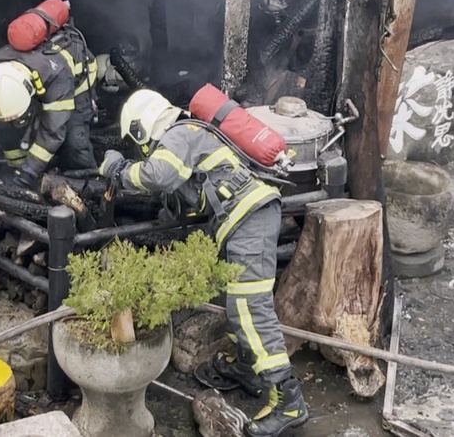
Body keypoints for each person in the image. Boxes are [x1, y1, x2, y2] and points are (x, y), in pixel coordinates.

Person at [97, 89, 309, 437]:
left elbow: (157, 176)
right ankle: (247, 369)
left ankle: (289, 398)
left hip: (250, 221)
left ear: (141, 128)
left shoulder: (180, 134)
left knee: (250, 308)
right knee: (236, 302)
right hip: (244, 221)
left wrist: (120, 169)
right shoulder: (194, 134)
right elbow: (191, 198)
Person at [0, 25, 99, 190]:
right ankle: (20, 169)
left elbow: (52, 132)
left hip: (76, 81)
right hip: (40, 83)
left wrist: (28, 173)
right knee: (7, 131)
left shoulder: (57, 78)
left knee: (74, 141)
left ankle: (87, 183)